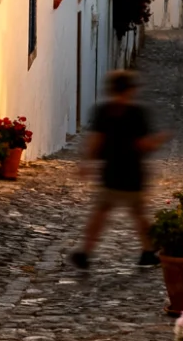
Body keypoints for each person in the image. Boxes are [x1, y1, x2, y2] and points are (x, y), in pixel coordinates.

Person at [72, 70, 167, 269]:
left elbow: (95, 141)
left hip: (111, 171)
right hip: (132, 172)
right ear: (129, 90)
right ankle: (149, 251)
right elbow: (143, 144)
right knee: (138, 214)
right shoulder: (136, 113)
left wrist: (86, 163)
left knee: (101, 213)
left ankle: (85, 252)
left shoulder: (103, 111)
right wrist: (158, 141)